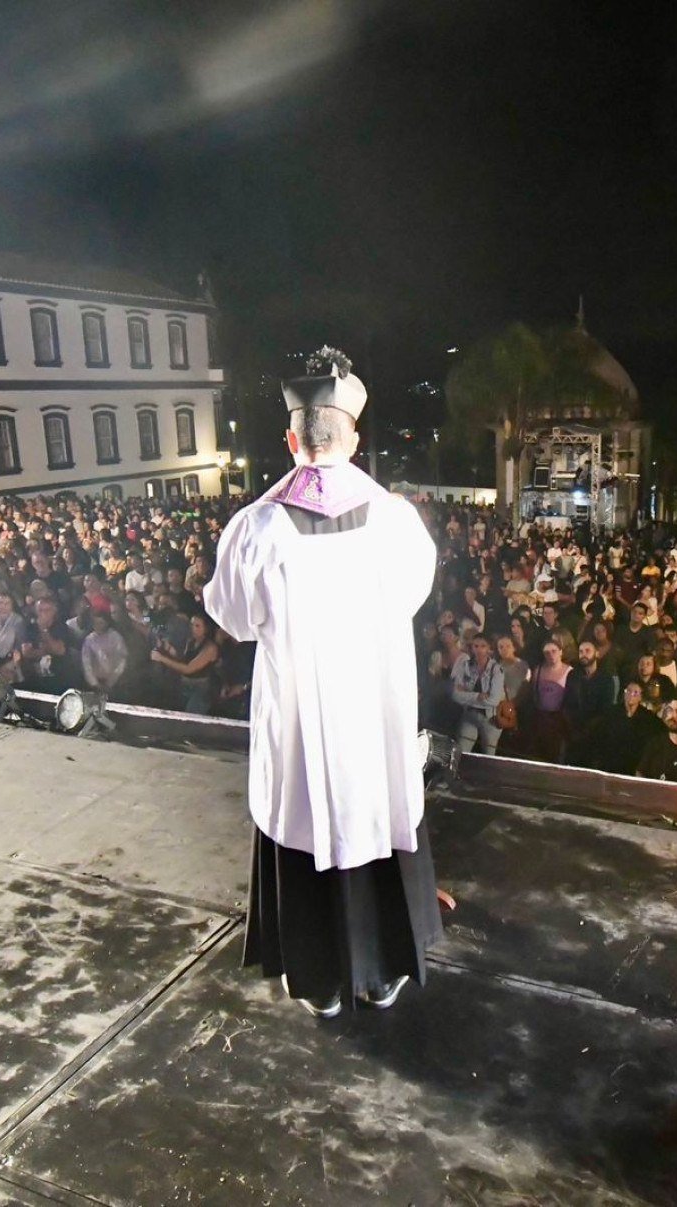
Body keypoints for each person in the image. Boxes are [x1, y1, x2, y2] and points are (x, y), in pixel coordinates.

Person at [205, 348, 441, 1018]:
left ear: (292, 440)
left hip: (301, 728)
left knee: (304, 818)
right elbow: (413, 596)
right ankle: (383, 971)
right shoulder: (396, 520)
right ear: (354, 439)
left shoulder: (257, 527)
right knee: (379, 811)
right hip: (374, 718)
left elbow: (233, 619)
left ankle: (319, 980)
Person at [449, 632, 506, 755]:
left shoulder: (496, 669)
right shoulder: (465, 666)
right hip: (469, 715)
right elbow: (455, 695)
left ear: (489, 648)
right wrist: (477, 696)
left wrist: (466, 695)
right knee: (461, 752)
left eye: (483, 646)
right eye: (476, 646)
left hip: (490, 718)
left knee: (488, 755)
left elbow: (493, 700)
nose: (479, 650)